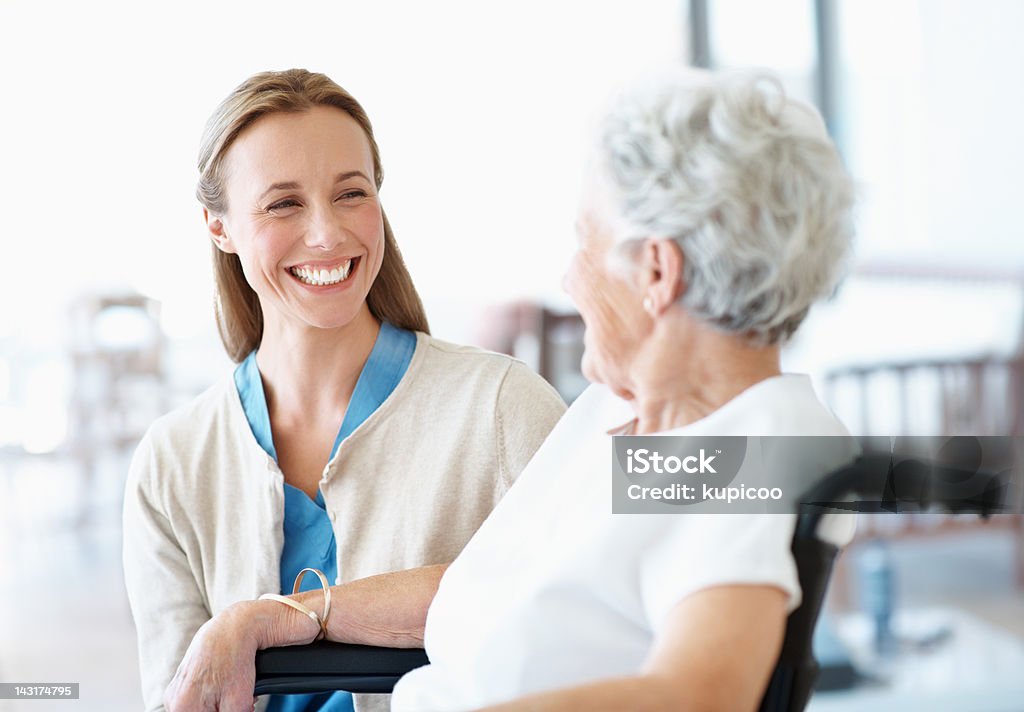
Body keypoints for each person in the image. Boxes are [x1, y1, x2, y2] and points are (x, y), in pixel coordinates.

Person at [161, 68, 857, 712]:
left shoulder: (755, 449)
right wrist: (276, 615)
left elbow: (701, 692)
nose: (571, 279)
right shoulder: (631, 415)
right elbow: (484, 586)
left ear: (656, 272)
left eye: (586, 242)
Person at [122, 69, 566, 712]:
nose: (327, 233)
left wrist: (286, 616)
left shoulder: (501, 408)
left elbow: (580, 600)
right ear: (218, 227)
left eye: (351, 193)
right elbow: (178, 697)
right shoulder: (172, 463)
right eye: (283, 203)